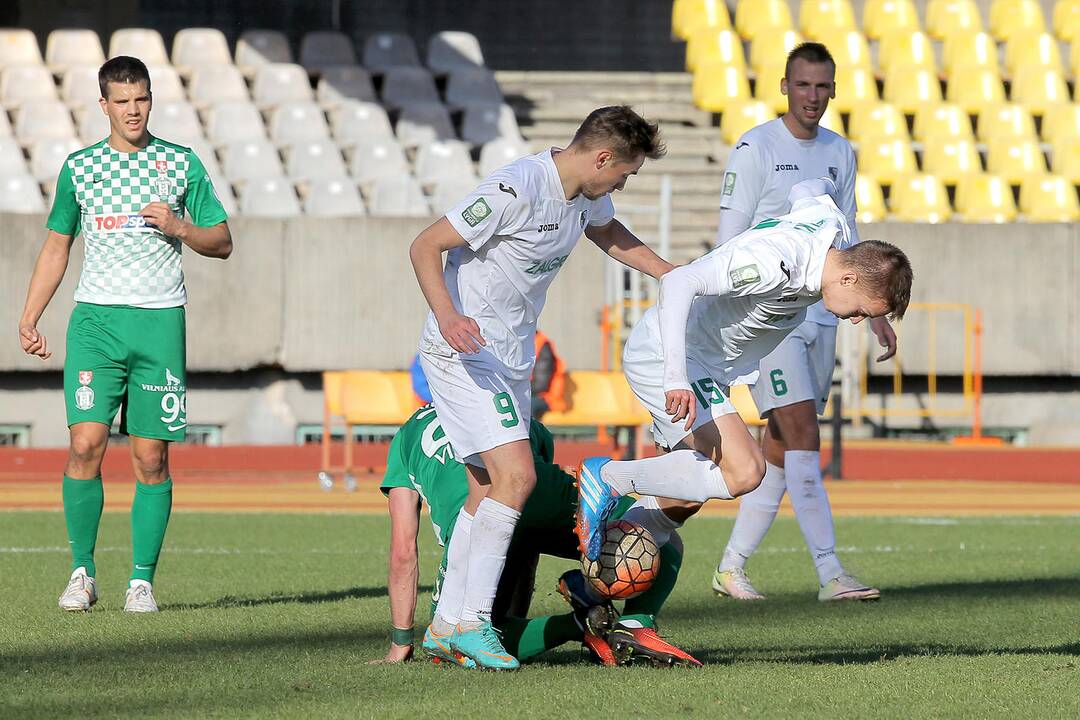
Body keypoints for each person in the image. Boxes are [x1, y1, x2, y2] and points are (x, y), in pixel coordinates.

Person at [410, 106, 673, 669]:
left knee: (484, 487)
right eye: (624, 172)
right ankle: (475, 624)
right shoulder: (516, 187)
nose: (623, 183)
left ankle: (444, 625)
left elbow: (607, 232)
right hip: (463, 352)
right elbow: (425, 245)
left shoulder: (588, 194)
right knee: (519, 476)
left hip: (509, 358)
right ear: (602, 158)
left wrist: (671, 274)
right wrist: (450, 316)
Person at [574, 179, 912, 570]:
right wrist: (676, 378)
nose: (855, 321)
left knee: (680, 502)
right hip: (674, 356)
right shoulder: (773, 263)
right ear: (850, 279)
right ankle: (607, 476)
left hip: (710, 367)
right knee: (746, 470)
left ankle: (599, 581)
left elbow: (809, 185)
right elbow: (679, 281)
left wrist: (877, 321)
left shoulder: (831, 226)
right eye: (861, 312)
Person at [18, 56, 232, 612]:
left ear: (151, 99)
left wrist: (181, 227)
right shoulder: (81, 167)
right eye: (122, 101)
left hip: (160, 322)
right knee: (85, 443)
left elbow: (222, 240)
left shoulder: (180, 163)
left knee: (151, 457)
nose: (133, 110)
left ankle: (141, 581)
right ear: (104, 104)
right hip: (96, 323)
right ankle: (82, 573)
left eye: (141, 99)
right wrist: (29, 316)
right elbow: (57, 245)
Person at [713, 42, 895, 602]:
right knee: (804, 437)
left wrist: (876, 310)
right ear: (784, 86)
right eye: (802, 85)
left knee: (779, 449)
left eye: (822, 86)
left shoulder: (842, 152)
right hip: (773, 316)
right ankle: (831, 573)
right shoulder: (756, 147)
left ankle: (730, 569)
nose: (812, 96)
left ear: (834, 90)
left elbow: (849, 233)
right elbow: (730, 235)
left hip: (825, 314)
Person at [376, 405, 697, 667]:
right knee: (652, 533)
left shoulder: (406, 435)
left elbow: (404, 551)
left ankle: (577, 624)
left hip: (478, 520)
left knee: (458, 639)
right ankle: (635, 624)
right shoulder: (504, 402)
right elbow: (531, 516)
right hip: (542, 492)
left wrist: (401, 642)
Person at [530, 330, 567, 420]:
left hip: (547, 398)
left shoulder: (542, 345)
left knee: (525, 406)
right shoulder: (527, 342)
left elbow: (541, 385)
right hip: (533, 394)